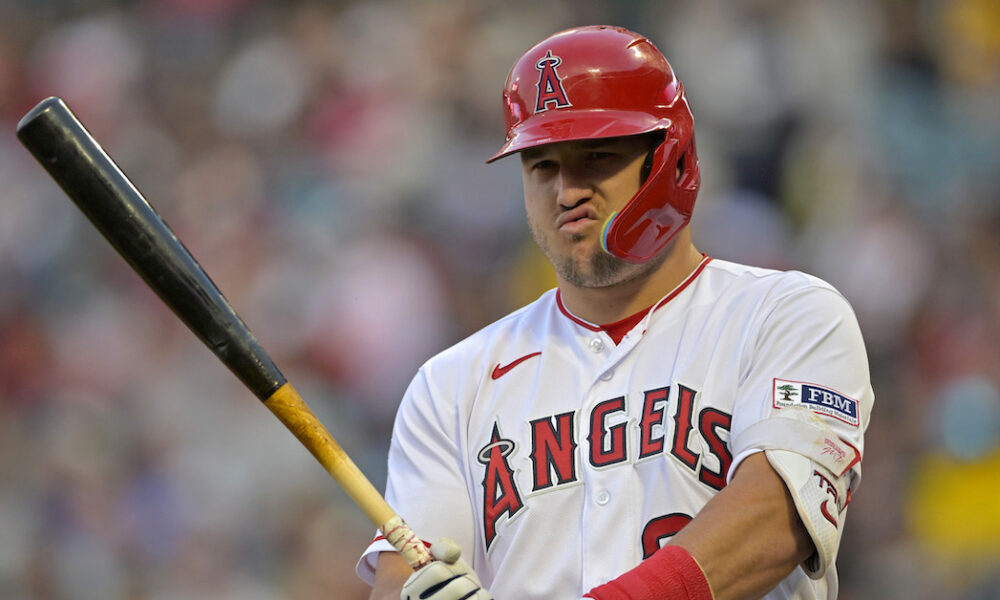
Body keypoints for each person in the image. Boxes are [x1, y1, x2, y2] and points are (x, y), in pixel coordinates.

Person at [356, 25, 873, 600]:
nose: (566, 192)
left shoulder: (786, 316)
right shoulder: (452, 386)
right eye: (542, 166)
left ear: (670, 159)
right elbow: (403, 577)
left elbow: (773, 522)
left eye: (596, 156)